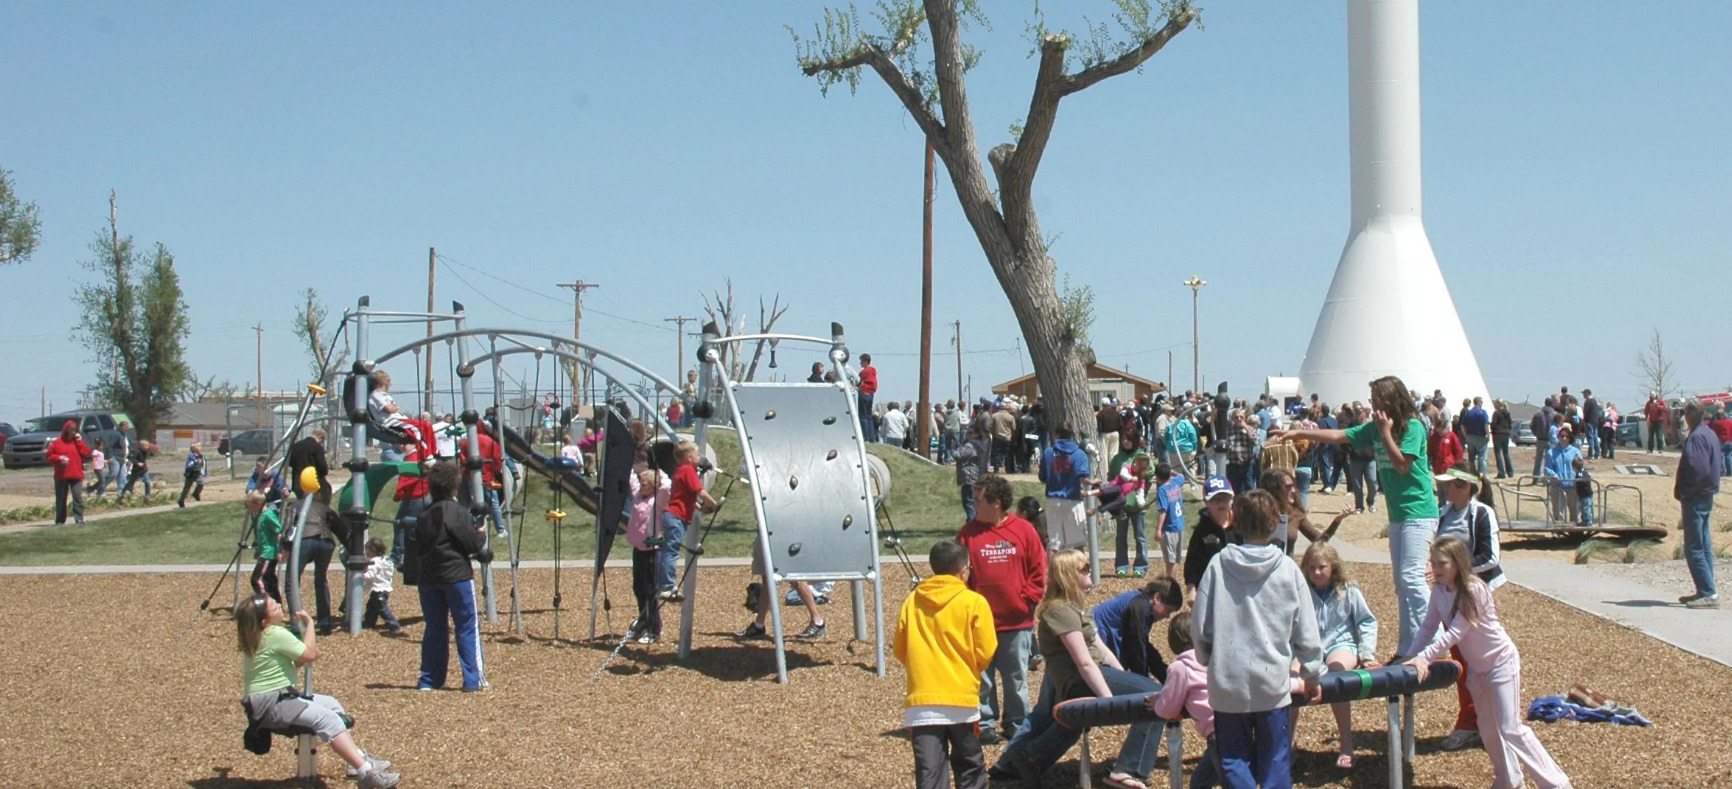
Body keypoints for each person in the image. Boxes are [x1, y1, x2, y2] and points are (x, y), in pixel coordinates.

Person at [1274, 374, 1436, 661]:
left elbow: (1401, 466)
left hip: (1419, 512)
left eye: (1377, 400)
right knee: (1401, 583)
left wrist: (1386, 433)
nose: (1373, 406)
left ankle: (1434, 642)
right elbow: (1339, 435)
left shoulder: (1412, 427)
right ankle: (1408, 646)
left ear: (1392, 400)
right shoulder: (1375, 428)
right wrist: (1299, 434)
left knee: (1412, 578)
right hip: (1399, 515)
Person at [1406, 538, 1572, 789]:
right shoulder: (1439, 591)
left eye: (1442, 563)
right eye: (1433, 562)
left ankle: (1556, 784)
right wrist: (1409, 657)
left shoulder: (1474, 589)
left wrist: (1425, 657)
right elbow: (1429, 626)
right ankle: (1508, 781)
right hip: (1478, 670)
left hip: (1501, 663)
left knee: (1511, 728)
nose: (1435, 568)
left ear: (1457, 563)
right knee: (1489, 731)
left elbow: (1455, 633)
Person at [992, 550, 1162, 789]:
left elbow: (1102, 650)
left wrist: (1125, 676)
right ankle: (1128, 771)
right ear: (1069, 574)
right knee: (1155, 700)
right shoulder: (1059, 611)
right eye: (1084, 568)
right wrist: (1107, 701)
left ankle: (1030, 759)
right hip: (1079, 679)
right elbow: (1083, 662)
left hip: (1092, 673)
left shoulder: (1074, 609)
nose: (1090, 570)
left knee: (1073, 724)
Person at [1191, 489, 1325, 789]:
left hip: (1228, 679)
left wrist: (1206, 658)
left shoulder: (1217, 566)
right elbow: (1307, 629)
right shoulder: (1287, 569)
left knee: (1234, 759)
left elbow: (1200, 627)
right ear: (1273, 524)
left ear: (1235, 521)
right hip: (1271, 680)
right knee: (1276, 758)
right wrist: (1312, 673)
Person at [236, 594, 400, 788]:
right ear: (264, 621)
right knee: (328, 719)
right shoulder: (274, 633)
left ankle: (354, 761)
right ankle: (367, 773)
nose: (280, 606)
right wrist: (310, 625)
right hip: (272, 703)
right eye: (274, 607)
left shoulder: (260, 634)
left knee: (331, 704)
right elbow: (311, 654)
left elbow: (298, 660)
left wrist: (305, 641)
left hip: (272, 699)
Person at [894, 540, 998, 789]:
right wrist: (972, 668)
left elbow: (900, 648)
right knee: (970, 766)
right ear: (963, 570)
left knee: (930, 771)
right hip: (961, 697)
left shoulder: (912, 601)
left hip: (922, 701)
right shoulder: (973, 601)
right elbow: (986, 650)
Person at [956, 474, 1046, 745]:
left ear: (996, 503)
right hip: (980, 622)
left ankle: (1017, 723)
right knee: (982, 678)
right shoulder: (967, 534)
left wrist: (1026, 601)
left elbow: (1038, 571)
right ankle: (984, 722)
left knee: (1016, 676)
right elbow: (958, 575)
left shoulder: (1023, 530)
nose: (974, 505)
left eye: (978, 500)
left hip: (1016, 622)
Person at [1432, 464, 1506, 752]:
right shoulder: (1442, 514)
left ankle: (1488, 723)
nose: (1445, 488)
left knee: (1484, 660)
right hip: (1451, 597)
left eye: (1450, 484)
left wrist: (1457, 571)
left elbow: (1491, 555)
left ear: (1464, 486)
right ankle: (1473, 721)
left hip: (1475, 596)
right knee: (1462, 662)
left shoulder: (1481, 513)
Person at [1299, 542, 1379, 769]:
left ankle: (1346, 745)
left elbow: (1366, 621)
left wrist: (1366, 654)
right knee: (1293, 678)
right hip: (1309, 645)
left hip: (1340, 644)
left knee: (1337, 677)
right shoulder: (1301, 591)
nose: (1316, 572)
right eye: (1312, 567)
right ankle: (1287, 744)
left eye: (1322, 567)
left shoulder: (1348, 591)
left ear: (1333, 567)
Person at [412, 462, 489, 691]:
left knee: (435, 627)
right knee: (466, 626)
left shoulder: (424, 514)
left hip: (428, 577)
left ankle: (430, 679)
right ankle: (473, 679)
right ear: (454, 487)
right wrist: (480, 534)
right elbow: (471, 543)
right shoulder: (456, 512)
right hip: (456, 576)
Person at [1147, 611, 1219, 789]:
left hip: (1219, 732)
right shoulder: (1217, 658)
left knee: (1231, 781)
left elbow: (1168, 709)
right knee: (1200, 781)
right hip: (1243, 722)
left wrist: (1158, 702)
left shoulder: (1181, 667)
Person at [660, 441, 721, 603]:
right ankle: (667, 586)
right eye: (697, 454)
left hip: (673, 516)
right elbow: (699, 491)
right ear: (689, 457)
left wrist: (701, 509)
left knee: (670, 549)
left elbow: (687, 498)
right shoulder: (688, 471)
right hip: (675, 517)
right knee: (671, 551)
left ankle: (667, 585)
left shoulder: (681, 470)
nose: (699, 457)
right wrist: (714, 504)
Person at [1674, 399, 1721, 608]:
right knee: (1704, 545)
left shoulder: (1697, 437)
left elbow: (1698, 470)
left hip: (1696, 496)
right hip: (1705, 495)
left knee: (1694, 547)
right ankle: (1706, 589)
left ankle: (1708, 592)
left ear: (1690, 415)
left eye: (1685, 412)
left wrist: (1685, 491)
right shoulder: (1709, 433)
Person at [1090, 577, 1182, 682]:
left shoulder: (1141, 602)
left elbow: (1143, 646)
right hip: (1098, 649)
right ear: (1157, 598)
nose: (1167, 616)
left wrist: (1165, 675)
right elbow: (1135, 649)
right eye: (1168, 610)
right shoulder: (1140, 607)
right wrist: (1144, 684)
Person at [1258, 468, 1351, 558]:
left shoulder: (1295, 514)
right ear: (1274, 490)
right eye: (1288, 487)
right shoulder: (1257, 514)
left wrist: (1336, 521)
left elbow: (1319, 540)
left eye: (1293, 486)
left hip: (1285, 570)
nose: (1293, 491)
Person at [290, 489, 344, 634]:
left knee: (292, 581)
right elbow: (340, 528)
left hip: (305, 540)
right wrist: (350, 547)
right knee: (321, 580)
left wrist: (284, 547)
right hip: (326, 541)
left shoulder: (295, 505)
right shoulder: (325, 508)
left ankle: (297, 625)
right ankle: (325, 623)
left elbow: (289, 528)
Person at [627, 468, 671, 644]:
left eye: (646, 483)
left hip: (652, 550)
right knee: (638, 588)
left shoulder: (658, 501)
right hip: (638, 549)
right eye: (642, 482)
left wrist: (662, 474)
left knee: (651, 591)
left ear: (653, 486)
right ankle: (643, 623)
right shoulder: (638, 495)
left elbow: (667, 488)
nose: (642, 485)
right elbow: (631, 479)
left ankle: (654, 630)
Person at [1038, 422, 1092, 550]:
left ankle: (1053, 570)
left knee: (1054, 543)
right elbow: (1083, 477)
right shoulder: (1079, 454)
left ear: (1056, 435)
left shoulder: (1048, 453)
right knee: (1077, 543)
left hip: (1053, 500)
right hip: (1073, 499)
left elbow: (1042, 477)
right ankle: (1080, 570)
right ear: (1071, 436)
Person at [1184, 477, 1240, 593]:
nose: (1221, 503)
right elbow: (1192, 561)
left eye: (1225, 498)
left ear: (1232, 499)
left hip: (1238, 584)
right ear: (1206, 502)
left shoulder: (1241, 525)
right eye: (1215, 500)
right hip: (1209, 586)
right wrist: (1191, 588)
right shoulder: (1202, 529)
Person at [367, 370, 437, 460]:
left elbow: (396, 409)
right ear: (386, 382)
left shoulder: (384, 395)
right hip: (390, 422)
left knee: (427, 426)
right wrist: (394, 408)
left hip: (399, 419)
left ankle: (431, 453)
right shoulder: (376, 395)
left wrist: (394, 408)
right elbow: (389, 409)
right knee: (417, 429)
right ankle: (426, 456)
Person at [1108, 441, 1152, 578]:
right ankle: (1121, 566)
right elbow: (1112, 479)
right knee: (1121, 537)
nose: (1126, 441)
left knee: (1140, 537)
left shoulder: (1143, 458)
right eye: (1124, 438)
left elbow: (1150, 474)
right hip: (1122, 506)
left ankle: (1141, 566)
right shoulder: (1119, 461)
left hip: (1138, 508)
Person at [463, 424, 509, 537]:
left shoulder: (465, 442)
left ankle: (476, 528)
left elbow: (463, 460)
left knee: (475, 504)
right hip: (489, 477)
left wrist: (466, 474)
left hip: (472, 477)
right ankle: (501, 530)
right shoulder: (491, 441)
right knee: (494, 504)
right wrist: (496, 472)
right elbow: (497, 459)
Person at [45, 422, 93, 525]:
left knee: (77, 497)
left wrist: (79, 441)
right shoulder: (57, 442)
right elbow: (49, 456)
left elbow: (86, 453)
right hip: (61, 475)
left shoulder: (77, 442)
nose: (72, 433)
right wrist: (58, 458)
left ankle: (79, 519)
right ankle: (60, 520)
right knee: (61, 499)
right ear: (66, 431)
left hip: (76, 475)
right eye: (70, 430)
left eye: (74, 431)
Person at [1151, 463, 1187, 581]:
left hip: (1170, 529)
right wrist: (1171, 472)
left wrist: (1158, 530)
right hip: (1180, 527)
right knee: (1176, 559)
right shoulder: (1176, 483)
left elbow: (1163, 511)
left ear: (1157, 476)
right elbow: (1181, 475)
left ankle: (1170, 584)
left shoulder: (1162, 490)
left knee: (1170, 561)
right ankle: (1173, 581)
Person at [247, 492, 284, 602]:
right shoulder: (260, 516)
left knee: (257, 579)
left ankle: (266, 602)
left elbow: (278, 532)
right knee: (269, 579)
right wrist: (258, 549)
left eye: (250, 506)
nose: (250, 509)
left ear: (258, 503)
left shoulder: (268, 515)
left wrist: (281, 550)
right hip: (264, 551)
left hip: (269, 553)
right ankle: (276, 603)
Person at [1542, 425, 1583, 524]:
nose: (1564, 438)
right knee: (1558, 513)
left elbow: (1580, 467)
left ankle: (1574, 533)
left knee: (1575, 511)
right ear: (1558, 437)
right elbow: (1547, 468)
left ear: (1570, 438)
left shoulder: (1575, 452)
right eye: (1562, 436)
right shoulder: (1551, 452)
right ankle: (1557, 533)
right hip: (1557, 486)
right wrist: (1554, 475)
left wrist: (1577, 480)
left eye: (1567, 436)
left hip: (1572, 486)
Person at [361, 537, 402, 633]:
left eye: (367, 550)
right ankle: (369, 622)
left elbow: (370, 575)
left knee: (382, 609)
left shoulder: (374, 562)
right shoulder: (386, 559)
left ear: (373, 550)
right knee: (371, 606)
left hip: (378, 589)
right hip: (385, 588)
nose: (366, 552)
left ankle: (394, 625)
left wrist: (361, 574)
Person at [954, 420, 991, 523]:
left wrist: (953, 448)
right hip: (977, 475)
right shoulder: (981, 444)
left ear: (977, 434)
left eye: (971, 433)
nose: (968, 435)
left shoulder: (971, 445)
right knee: (974, 502)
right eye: (967, 433)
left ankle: (972, 523)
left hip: (969, 476)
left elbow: (959, 455)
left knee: (968, 502)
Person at [288, 429, 331, 495]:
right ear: (320, 438)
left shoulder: (296, 445)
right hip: (313, 484)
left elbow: (290, 462)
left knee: (300, 504)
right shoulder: (317, 447)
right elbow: (322, 467)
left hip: (298, 483)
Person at [1461, 397, 1491, 474]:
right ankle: (1482, 475)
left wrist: (1466, 435)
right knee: (1482, 458)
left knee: (1471, 458)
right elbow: (1486, 425)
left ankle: (1471, 473)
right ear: (1479, 403)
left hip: (1470, 436)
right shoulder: (1483, 412)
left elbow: (1462, 425)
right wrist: (1488, 435)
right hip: (1481, 437)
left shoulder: (1468, 413)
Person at [856, 353, 880, 443]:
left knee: (863, 416)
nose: (860, 363)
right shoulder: (873, 372)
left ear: (865, 361)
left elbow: (858, 381)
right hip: (870, 394)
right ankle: (872, 437)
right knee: (869, 416)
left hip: (863, 393)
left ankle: (865, 437)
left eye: (861, 361)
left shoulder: (864, 372)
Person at [178, 442, 207, 508]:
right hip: (191, 473)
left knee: (201, 483)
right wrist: (195, 462)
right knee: (187, 488)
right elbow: (189, 465)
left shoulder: (201, 455)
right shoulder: (192, 456)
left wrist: (204, 472)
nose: (200, 447)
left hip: (198, 473)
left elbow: (203, 465)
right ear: (194, 449)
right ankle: (181, 500)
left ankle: (196, 494)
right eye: (199, 446)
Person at [1491, 400, 1514, 479]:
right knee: (1506, 453)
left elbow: (1493, 424)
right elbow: (1510, 424)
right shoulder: (1507, 413)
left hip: (1498, 434)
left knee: (1498, 454)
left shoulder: (1496, 413)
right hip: (1506, 434)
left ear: (1498, 404)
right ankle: (1510, 472)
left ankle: (1501, 473)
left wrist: (1493, 431)